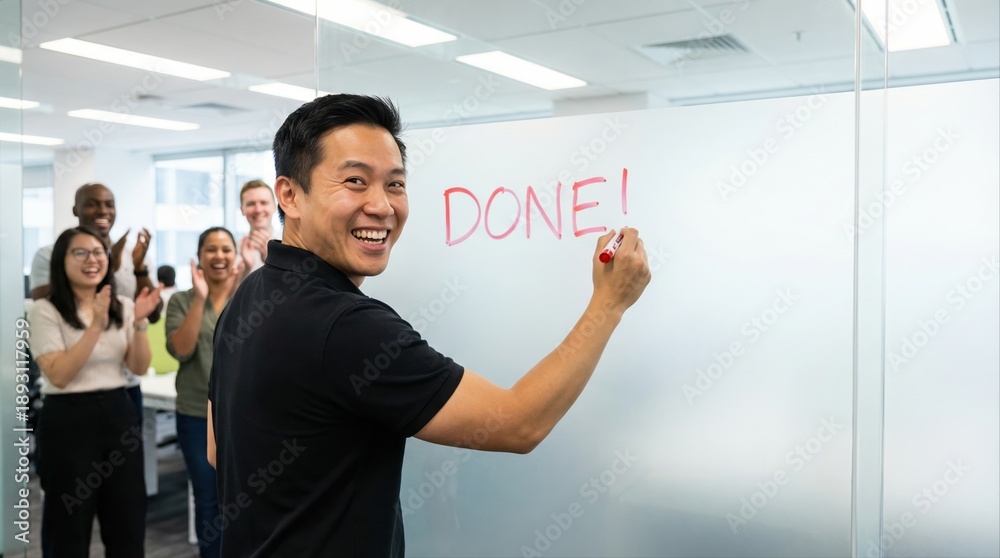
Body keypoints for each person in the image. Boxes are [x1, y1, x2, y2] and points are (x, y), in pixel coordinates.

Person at [207, 94, 650, 556]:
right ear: (290, 195)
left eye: (395, 184)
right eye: (355, 181)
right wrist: (609, 303)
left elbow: (219, 451)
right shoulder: (348, 326)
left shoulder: (250, 296)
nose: (382, 205)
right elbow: (520, 423)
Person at [28, 226, 161, 557]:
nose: (92, 260)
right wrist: (96, 326)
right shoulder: (45, 310)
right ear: (61, 261)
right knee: (68, 527)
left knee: (127, 522)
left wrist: (139, 322)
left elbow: (138, 366)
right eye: (81, 253)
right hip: (67, 420)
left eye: (99, 252)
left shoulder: (122, 305)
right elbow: (59, 375)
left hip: (118, 413)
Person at [30, 182, 162, 424]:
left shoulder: (133, 262)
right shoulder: (49, 256)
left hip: (122, 389)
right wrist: (107, 265)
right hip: (69, 398)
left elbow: (150, 315)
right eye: (92, 204)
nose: (102, 211)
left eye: (109, 205)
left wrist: (138, 268)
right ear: (76, 209)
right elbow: (49, 302)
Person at [165, 227, 238, 558]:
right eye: (211, 249)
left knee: (243, 498)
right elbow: (181, 350)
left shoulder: (249, 297)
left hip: (241, 414)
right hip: (196, 414)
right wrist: (199, 297)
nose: (219, 256)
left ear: (235, 256)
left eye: (226, 249)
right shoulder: (181, 300)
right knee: (208, 497)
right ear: (199, 257)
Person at [236, 179, 278, 275]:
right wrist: (246, 269)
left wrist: (272, 261)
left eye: (263, 203)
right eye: (251, 204)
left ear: (275, 207)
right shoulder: (234, 249)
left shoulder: (289, 245)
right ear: (242, 209)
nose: (258, 210)